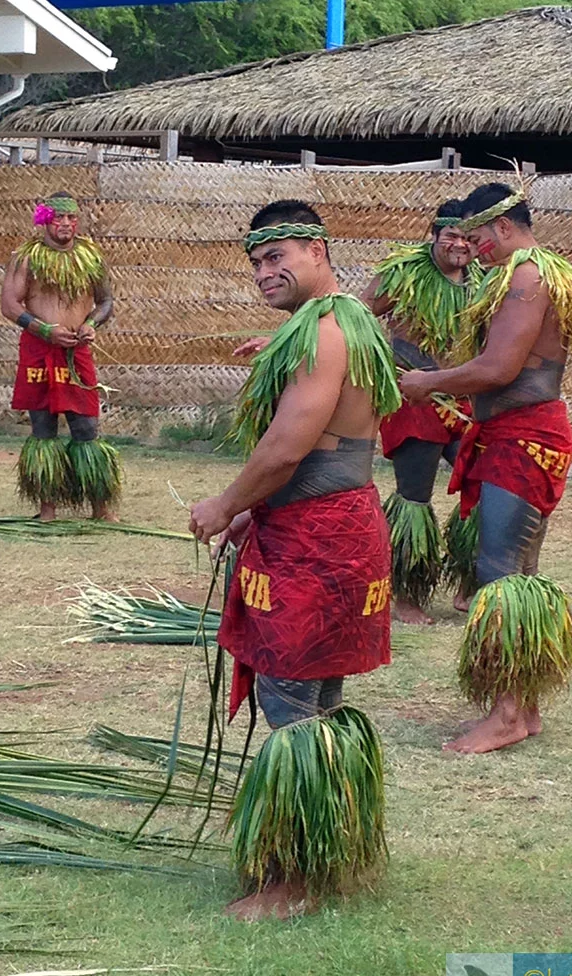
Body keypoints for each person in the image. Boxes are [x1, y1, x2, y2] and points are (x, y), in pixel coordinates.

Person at [189, 201, 399, 920]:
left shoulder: (325, 332)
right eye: (255, 263)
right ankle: (331, 854)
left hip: (315, 539)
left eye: (277, 256)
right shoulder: (348, 320)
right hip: (344, 524)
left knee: (292, 710)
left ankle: (294, 882)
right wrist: (255, 508)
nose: (264, 272)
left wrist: (223, 504)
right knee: (321, 701)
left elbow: (288, 446)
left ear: (316, 249)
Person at [400, 181, 572, 754]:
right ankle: (523, 708)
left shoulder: (528, 277)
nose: (474, 248)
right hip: (517, 433)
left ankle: (506, 714)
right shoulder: (533, 273)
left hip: (524, 436)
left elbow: (501, 366)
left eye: (479, 238)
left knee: (500, 570)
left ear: (504, 228)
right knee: (518, 571)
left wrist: (430, 381)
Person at [361, 200, 482, 624]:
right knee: (414, 500)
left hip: (464, 404)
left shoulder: (483, 281)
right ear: (433, 235)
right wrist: (386, 370)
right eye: (451, 235)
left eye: (468, 237)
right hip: (415, 401)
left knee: (483, 490)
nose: (460, 244)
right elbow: (359, 316)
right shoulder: (404, 274)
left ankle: (470, 586)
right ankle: (407, 598)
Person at [1, 191, 120, 521]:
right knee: (43, 429)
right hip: (39, 351)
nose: (66, 224)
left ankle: (100, 507)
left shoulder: (90, 256)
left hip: (77, 352)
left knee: (86, 427)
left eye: (71, 218)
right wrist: (45, 330)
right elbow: (10, 306)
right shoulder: (27, 257)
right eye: (58, 218)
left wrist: (91, 324)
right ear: (45, 220)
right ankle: (47, 508)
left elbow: (106, 302)